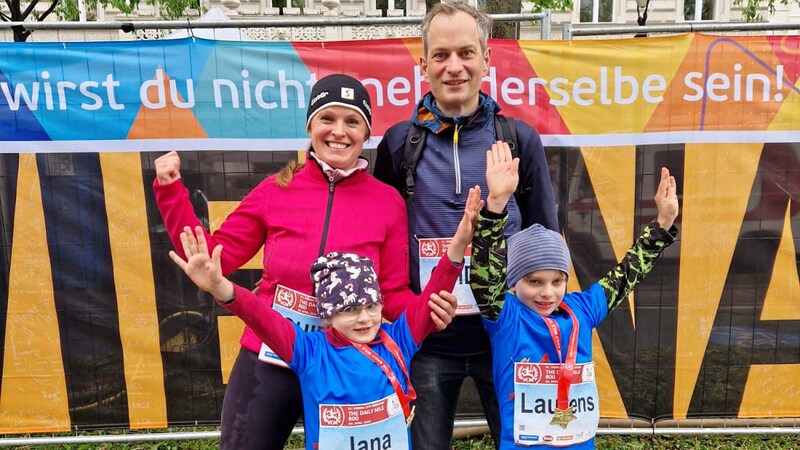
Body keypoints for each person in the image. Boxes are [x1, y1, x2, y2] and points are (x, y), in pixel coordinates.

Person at [152, 74, 456, 450]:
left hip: (348, 363)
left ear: (366, 133)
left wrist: (427, 310)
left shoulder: (387, 202)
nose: (338, 132)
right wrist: (170, 191)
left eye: (352, 122)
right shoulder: (276, 189)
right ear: (310, 124)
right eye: (327, 118)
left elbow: (391, 291)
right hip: (272, 355)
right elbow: (212, 257)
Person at [168, 186, 483, 450]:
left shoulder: (398, 340)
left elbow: (431, 294)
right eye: (349, 310)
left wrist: (458, 244)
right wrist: (221, 287)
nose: (364, 319)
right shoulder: (310, 352)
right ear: (328, 316)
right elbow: (261, 316)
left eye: (371, 306)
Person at [373, 2, 558, 448]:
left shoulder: (518, 139)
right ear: (423, 65)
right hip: (428, 342)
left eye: (466, 53)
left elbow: (546, 235)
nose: (453, 66)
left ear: (486, 58)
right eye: (440, 55)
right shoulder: (400, 143)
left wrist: (549, 326)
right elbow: (381, 240)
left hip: (509, 337)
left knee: (528, 444)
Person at [471, 142, 680, 449]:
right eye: (534, 281)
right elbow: (484, 271)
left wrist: (662, 224)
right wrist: (497, 204)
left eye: (558, 281)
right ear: (513, 283)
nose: (547, 292)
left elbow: (625, 276)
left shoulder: (580, 309)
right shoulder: (505, 315)